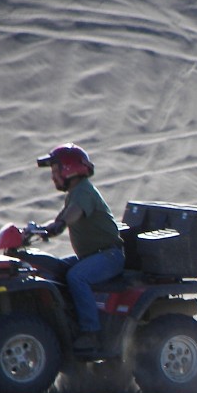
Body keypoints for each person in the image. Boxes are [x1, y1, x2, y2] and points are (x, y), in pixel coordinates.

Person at [37, 143, 124, 354]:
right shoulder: (75, 193)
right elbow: (61, 218)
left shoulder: (84, 191)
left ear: (69, 169)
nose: (53, 177)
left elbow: (73, 214)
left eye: (56, 170)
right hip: (91, 256)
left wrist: (59, 225)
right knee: (53, 268)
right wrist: (37, 230)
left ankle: (90, 333)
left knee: (77, 277)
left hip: (109, 256)